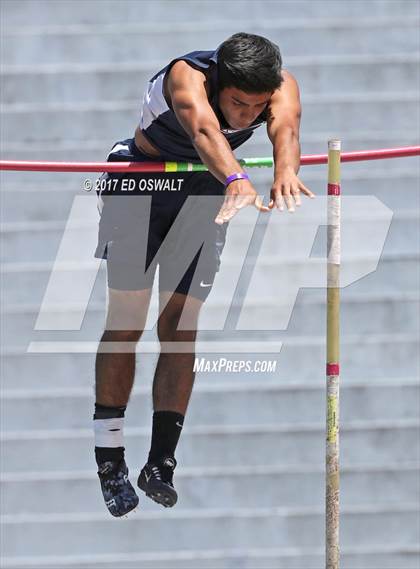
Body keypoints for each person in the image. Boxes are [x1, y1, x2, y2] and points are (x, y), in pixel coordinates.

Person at [93, 32, 314, 517]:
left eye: (256, 107)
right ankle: (110, 460)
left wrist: (286, 171)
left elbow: (287, 131)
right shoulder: (186, 76)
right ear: (218, 83)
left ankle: (160, 463)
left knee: (180, 328)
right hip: (142, 177)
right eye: (237, 103)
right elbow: (207, 134)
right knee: (126, 324)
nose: (246, 116)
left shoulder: (280, 87)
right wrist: (236, 178)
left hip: (204, 187)